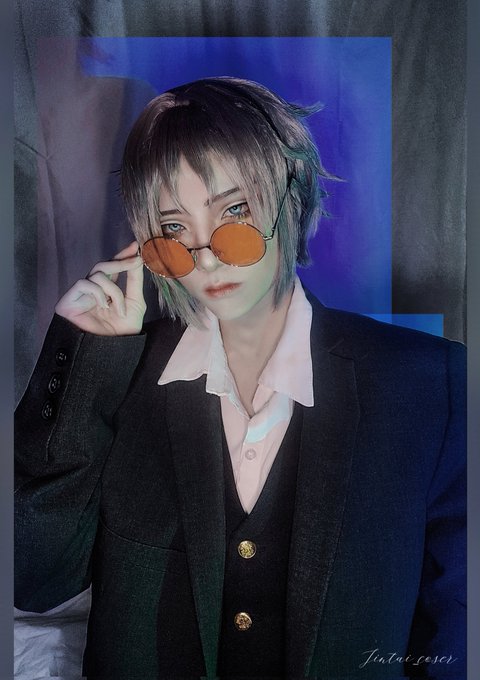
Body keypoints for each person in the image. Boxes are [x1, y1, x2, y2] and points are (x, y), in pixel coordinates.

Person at [14, 77, 466, 679]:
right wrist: (83, 353)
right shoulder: (116, 376)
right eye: (174, 230)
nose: (205, 256)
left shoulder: (427, 384)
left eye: (234, 212)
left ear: (290, 197)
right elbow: (35, 578)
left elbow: (456, 625)